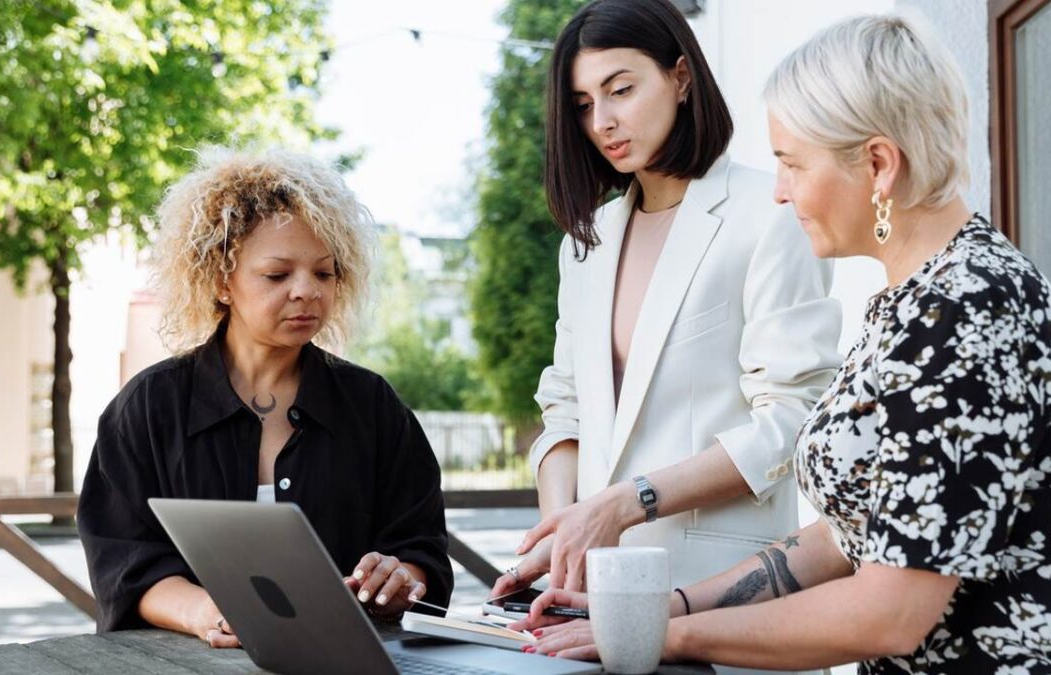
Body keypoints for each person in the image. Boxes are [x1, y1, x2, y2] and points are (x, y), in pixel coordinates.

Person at [513, 12, 1051, 674]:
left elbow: (892, 612)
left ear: (878, 164)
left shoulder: (965, 312)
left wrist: (667, 633)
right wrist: (671, 605)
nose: (779, 189)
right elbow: (845, 537)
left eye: (792, 163)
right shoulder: (913, 302)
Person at [492, 0, 841, 610]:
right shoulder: (587, 241)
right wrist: (563, 530)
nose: (602, 121)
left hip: (723, 589)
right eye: (582, 105)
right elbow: (565, 409)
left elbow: (794, 418)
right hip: (593, 595)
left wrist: (629, 502)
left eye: (620, 89)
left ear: (680, 77)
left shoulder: (770, 213)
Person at [77, 148, 453, 647]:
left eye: (325, 273)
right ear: (221, 280)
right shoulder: (148, 407)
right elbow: (122, 561)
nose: (307, 292)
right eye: (278, 275)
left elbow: (421, 549)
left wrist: (400, 577)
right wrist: (203, 611)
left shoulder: (374, 406)